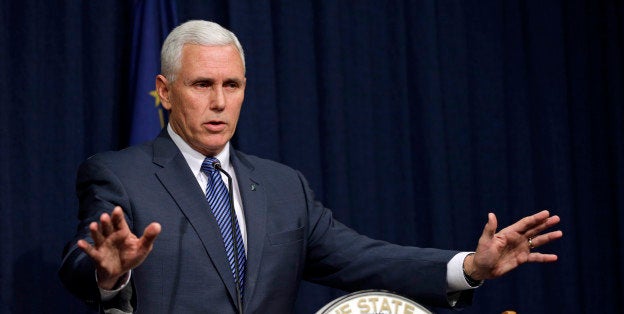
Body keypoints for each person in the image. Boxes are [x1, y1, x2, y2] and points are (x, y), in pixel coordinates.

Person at [59, 20, 562, 313]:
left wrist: (469, 268)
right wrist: (111, 277)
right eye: (201, 85)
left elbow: (363, 259)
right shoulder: (120, 174)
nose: (218, 103)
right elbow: (81, 263)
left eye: (231, 86)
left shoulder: (282, 187)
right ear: (166, 92)